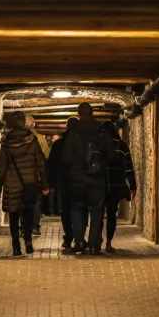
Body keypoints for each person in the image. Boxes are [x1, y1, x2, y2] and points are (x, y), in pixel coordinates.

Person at [0, 111, 49, 256]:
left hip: (12, 184)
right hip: (29, 182)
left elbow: (1, 168)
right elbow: (41, 164)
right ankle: (28, 241)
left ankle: (16, 246)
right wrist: (44, 185)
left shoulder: (6, 143)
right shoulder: (32, 140)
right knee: (28, 213)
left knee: (13, 216)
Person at [62, 103, 113, 255]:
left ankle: (79, 240)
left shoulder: (74, 132)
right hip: (97, 178)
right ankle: (93, 244)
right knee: (97, 211)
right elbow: (111, 154)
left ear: (78, 113)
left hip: (77, 178)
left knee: (77, 208)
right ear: (92, 112)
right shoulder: (102, 131)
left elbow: (66, 157)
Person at [101, 120, 137, 253]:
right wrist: (133, 185)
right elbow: (128, 167)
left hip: (100, 185)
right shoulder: (121, 145)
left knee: (98, 213)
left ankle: (97, 240)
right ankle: (108, 243)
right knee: (111, 214)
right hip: (116, 186)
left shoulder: (97, 145)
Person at [47, 117, 82, 252]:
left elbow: (51, 165)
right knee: (80, 209)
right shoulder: (83, 143)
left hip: (64, 182)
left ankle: (68, 237)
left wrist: (51, 183)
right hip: (80, 181)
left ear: (67, 127)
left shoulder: (58, 144)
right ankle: (79, 238)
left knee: (66, 211)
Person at [23, 114, 48, 236]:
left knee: (22, 201)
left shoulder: (16, 138)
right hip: (35, 175)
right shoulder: (41, 139)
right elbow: (46, 157)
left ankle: (24, 227)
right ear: (34, 124)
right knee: (36, 202)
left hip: (21, 175)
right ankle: (35, 227)